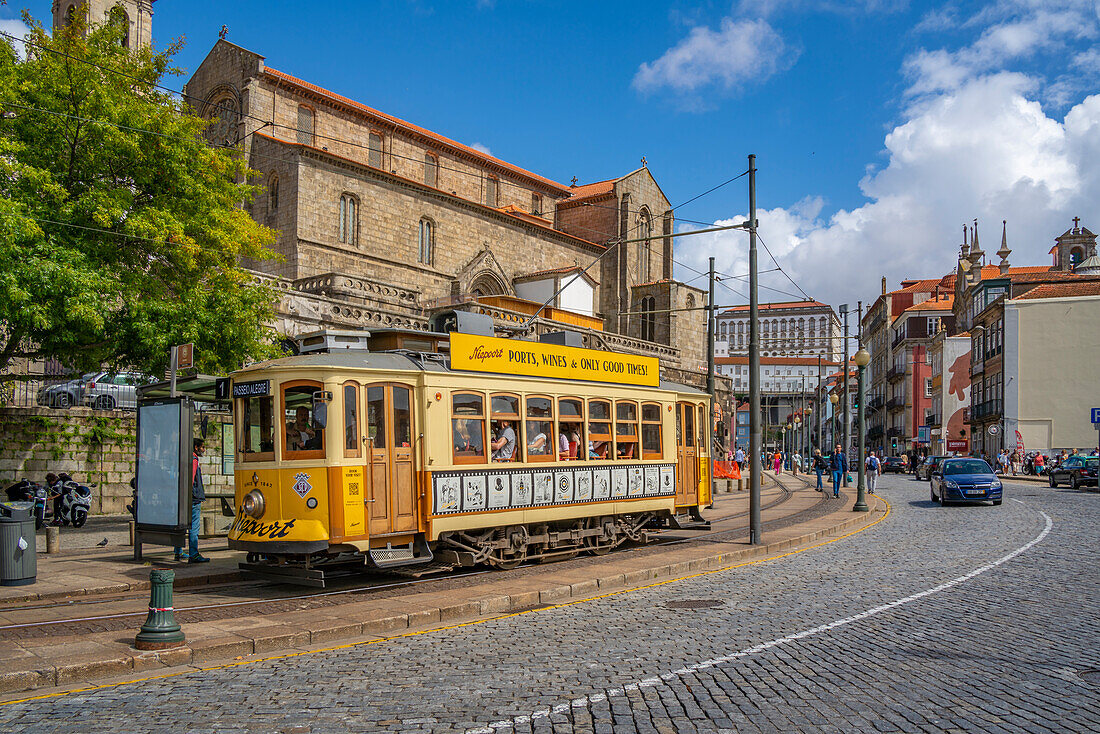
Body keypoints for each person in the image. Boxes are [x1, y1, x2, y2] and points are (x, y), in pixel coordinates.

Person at [175, 438, 209, 563]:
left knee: (181, 524)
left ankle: (178, 551)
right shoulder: (194, 459)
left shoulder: (183, 458)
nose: (203, 450)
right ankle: (194, 553)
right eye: (202, 447)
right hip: (193, 497)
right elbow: (191, 477)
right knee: (194, 526)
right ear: (196, 447)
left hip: (183, 496)